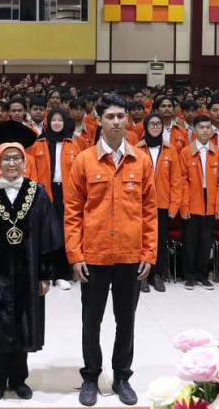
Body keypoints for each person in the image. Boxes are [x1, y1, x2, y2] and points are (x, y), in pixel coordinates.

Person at [65, 94, 157, 407]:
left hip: (131, 255)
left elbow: (150, 210)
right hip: (94, 255)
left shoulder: (141, 161)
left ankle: (122, 377)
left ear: (127, 121)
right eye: (110, 116)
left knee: (125, 320)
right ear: (99, 120)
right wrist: (75, 255)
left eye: (121, 116)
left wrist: (149, 252)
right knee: (91, 321)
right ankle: (90, 376)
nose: (116, 121)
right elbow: (73, 211)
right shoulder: (84, 160)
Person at [0, 138, 64, 400]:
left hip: (27, 273)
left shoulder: (38, 192)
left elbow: (48, 236)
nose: (11, 163)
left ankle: (19, 378)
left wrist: (45, 274)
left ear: (25, 162)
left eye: (16, 158)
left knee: (24, 324)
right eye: (5, 158)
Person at [31, 107, 81, 291]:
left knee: (63, 234)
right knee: (44, 234)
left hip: (67, 194)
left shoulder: (73, 144)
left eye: (60, 120)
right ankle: (44, 274)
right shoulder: (39, 143)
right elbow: (33, 170)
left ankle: (61, 274)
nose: (57, 123)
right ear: (48, 122)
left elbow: (78, 172)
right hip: (44, 193)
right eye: (54, 120)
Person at [179, 114, 219, 290]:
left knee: (206, 241)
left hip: (211, 201)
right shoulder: (185, 152)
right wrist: (184, 205)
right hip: (192, 201)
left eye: (208, 127)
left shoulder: (218, 152)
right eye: (201, 127)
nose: (205, 130)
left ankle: (202, 274)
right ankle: (189, 274)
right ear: (194, 130)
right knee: (190, 241)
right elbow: (182, 181)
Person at [136, 113, 181, 293]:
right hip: (140, 203)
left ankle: (156, 274)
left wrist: (174, 204)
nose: (155, 127)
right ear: (146, 127)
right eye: (152, 124)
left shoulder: (170, 150)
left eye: (158, 124)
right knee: (140, 240)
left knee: (159, 241)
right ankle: (141, 276)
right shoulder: (137, 149)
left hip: (162, 204)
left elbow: (176, 180)